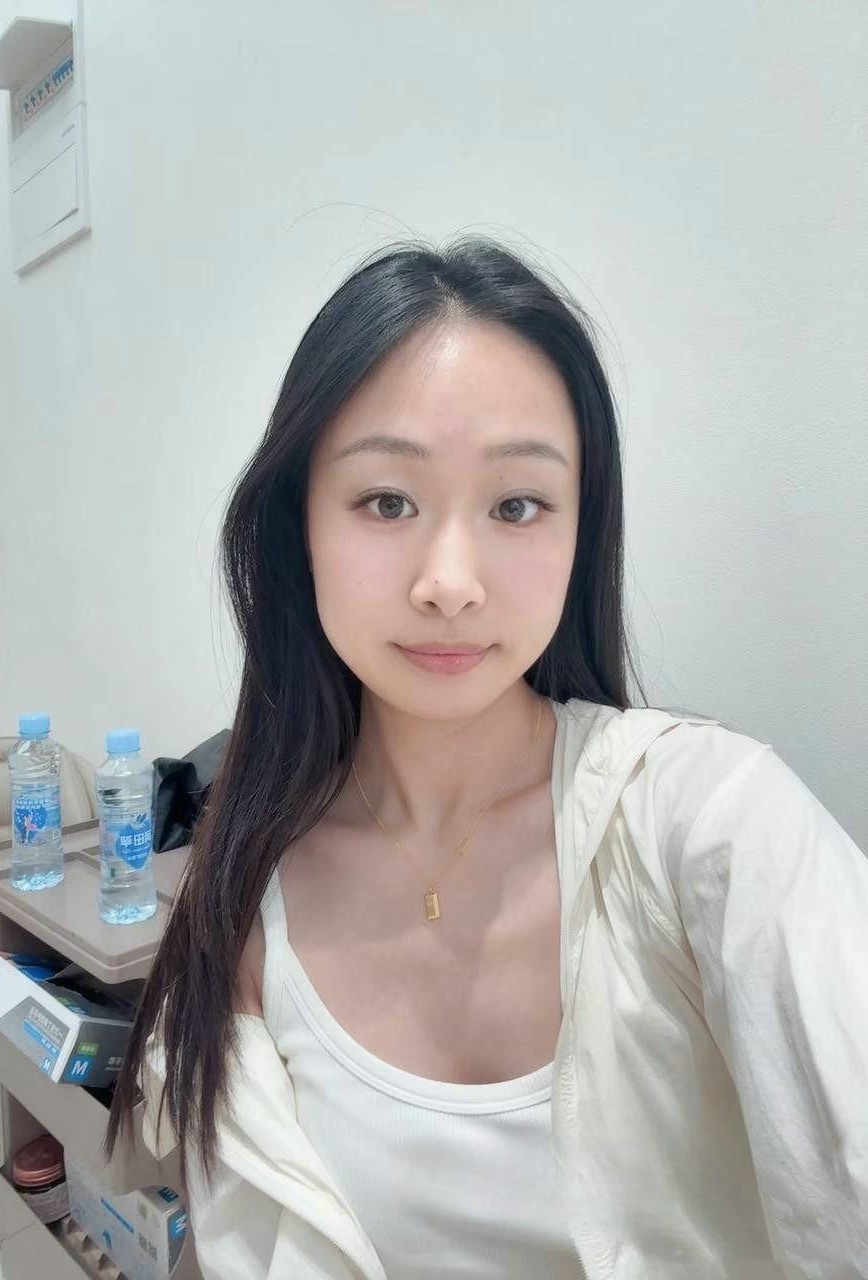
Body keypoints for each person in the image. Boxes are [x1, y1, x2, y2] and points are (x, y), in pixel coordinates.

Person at [106, 236, 868, 1278]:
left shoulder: (712, 820)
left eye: (517, 505)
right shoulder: (246, 885)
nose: (450, 583)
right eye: (387, 501)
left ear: (580, 528)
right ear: (300, 528)